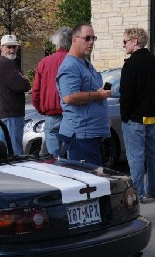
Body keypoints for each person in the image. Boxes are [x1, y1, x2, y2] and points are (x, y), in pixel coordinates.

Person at [120, 27, 155, 203]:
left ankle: (137, 194)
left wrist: (125, 116)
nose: (123, 45)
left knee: (136, 156)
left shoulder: (130, 64)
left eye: (125, 42)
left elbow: (126, 94)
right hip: (153, 116)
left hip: (135, 118)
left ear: (135, 41)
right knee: (153, 154)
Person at [56, 22, 111, 165]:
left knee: (93, 181)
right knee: (88, 182)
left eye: (93, 38)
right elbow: (69, 97)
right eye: (87, 38)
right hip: (81, 135)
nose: (91, 42)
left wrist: (98, 91)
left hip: (91, 134)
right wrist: (99, 96)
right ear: (75, 39)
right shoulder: (70, 65)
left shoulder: (85, 63)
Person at [32, 27, 73, 157]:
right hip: (71, 113)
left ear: (57, 44)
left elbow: (36, 91)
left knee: (53, 157)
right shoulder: (77, 61)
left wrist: (41, 109)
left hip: (52, 114)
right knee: (74, 155)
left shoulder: (44, 62)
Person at [0, 34, 31, 155]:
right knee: (15, 154)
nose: (12, 50)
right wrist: (26, 80)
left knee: (7, 152)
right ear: (1, 47)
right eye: (8, 47)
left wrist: (22, 79)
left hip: (7, 114)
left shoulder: (4, 63)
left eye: (14, 47)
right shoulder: (5, 63)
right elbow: (22, 85)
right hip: (11, 115)